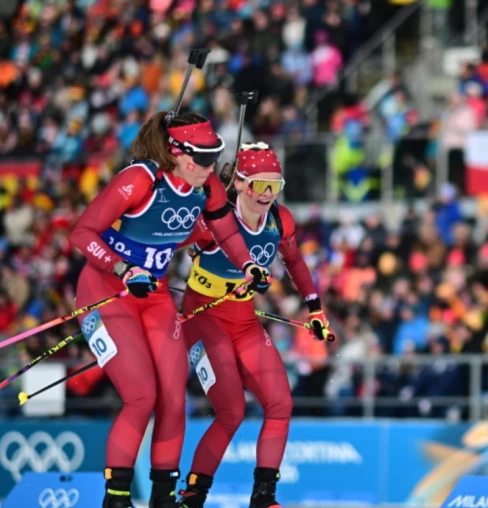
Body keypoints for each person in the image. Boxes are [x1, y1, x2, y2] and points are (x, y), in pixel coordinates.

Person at [69, 112, 270, 508]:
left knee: (173, 397)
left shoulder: (205, 186)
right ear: (177, 154)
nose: (212, 169)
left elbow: (226, 231)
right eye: (204, 159)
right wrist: (123, 268)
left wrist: (248, 264)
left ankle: (163, 497)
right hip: (106, 290)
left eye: (215, 158)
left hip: (155, 295)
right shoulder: (139, 180)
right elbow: (82, 232)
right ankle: (117, 498)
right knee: (141, 396)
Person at [177, 142, 333, 508]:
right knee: (231, 409)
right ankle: (193, 494)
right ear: (241, 184)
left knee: (281, 404)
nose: (266, 195)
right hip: (204, 316)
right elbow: (167, 239)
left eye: (274, 186)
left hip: (244, 320)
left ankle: (264, 496)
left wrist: (315, 309)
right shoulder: (214, 217)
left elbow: (296, 264)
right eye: (259, 185)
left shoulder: (280, 221)